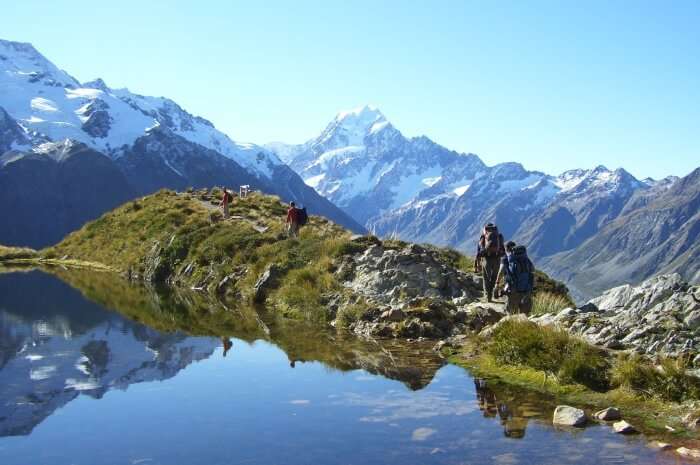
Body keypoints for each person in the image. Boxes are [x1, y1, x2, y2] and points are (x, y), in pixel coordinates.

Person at [497, 241, 535, 314]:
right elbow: (532, 270)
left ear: (506, 248)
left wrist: (497, 283)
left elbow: (500, 272)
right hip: (526, 290)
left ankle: (513, 325)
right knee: (524, 315)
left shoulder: (506, 259)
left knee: (511, 313)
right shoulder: (525, 259)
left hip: (513, 290)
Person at [475, 223, 505, 302]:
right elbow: (502, 249)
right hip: (497, 259)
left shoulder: (484, 236)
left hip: (486, 259)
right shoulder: (499, 236)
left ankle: (487, 296)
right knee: (494, 277)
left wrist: (477, 263)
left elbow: (479, 249)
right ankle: (491, 292)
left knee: (486, 278)